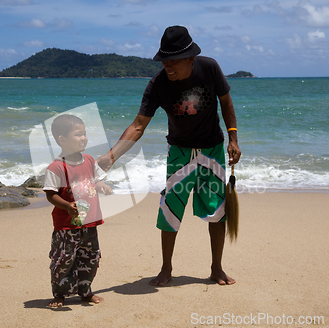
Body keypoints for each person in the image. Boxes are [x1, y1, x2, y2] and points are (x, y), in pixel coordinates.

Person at [97, 26, 241, 286]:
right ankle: (166, 269)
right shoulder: (158, 84)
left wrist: (233, 137)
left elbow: (226, 102)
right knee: (170, 209)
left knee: (218, 210)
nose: (168, 67)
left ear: (190, 58)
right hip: (179, 152)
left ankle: (217, 268)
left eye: (174, 61)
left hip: (212, 149)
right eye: (164, 61)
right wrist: (111, 156)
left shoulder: (209, 68)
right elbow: (139, 124)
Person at [43, 114, 113, 308]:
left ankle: (85, 291)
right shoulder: (56, 167)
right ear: (62, 140)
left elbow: (96, 180)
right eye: (78, 134)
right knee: (63, 260)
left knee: (90, 257)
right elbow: (50, 194)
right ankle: (59, 294)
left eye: (84, 134)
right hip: (66, 226)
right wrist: (66, 205)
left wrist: (102, 187)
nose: (83, 138)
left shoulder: (89, 160)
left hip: (89, 222)